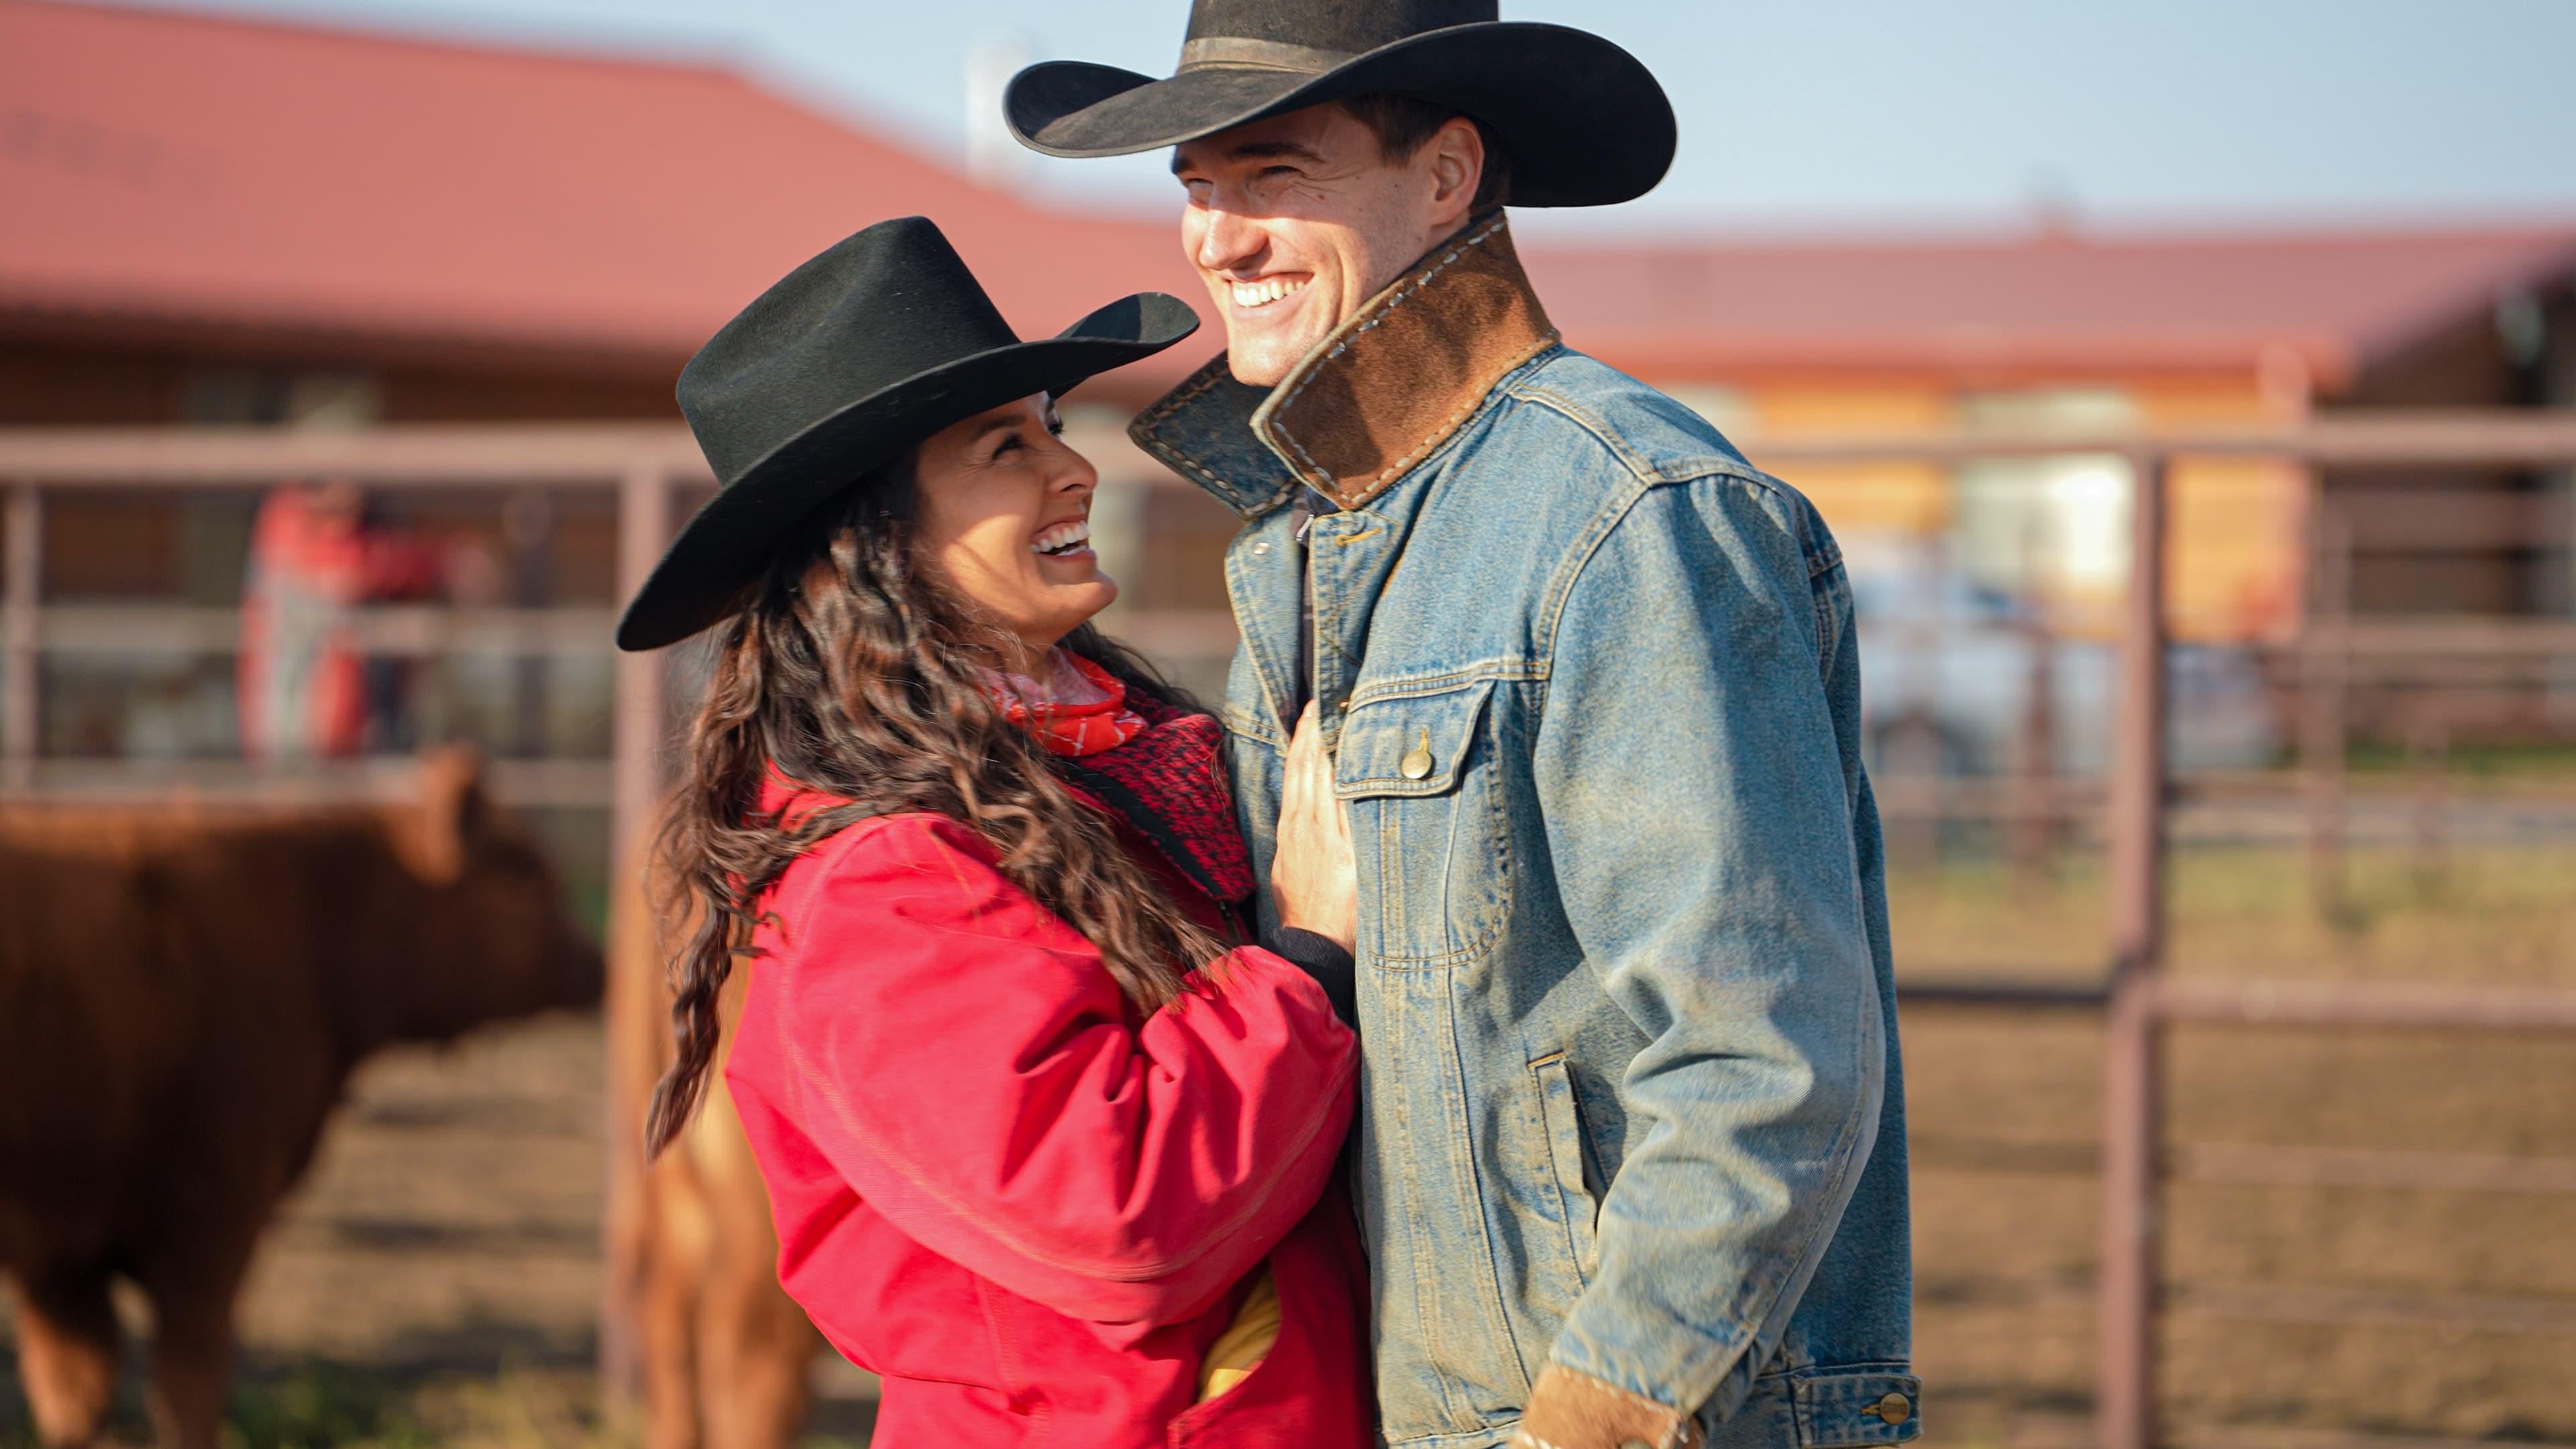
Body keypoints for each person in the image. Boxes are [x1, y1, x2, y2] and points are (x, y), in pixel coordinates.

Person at [1008, 5, 1915, 1448]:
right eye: (1197, 186)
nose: (1217, 238)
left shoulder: (1630, 519)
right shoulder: (1314, 535)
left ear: (1445, 178)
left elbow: (1766, 1060)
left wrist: (1590, 1422)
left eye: (1276, 175)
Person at [614, 216, 1374, 1449]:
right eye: (1001, 448)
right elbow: (1117, 1213)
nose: (1072, 472)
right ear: (867, 556)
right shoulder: (883, 881)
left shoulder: (1076, 772)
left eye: (1054, 432)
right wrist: (1309, 968)